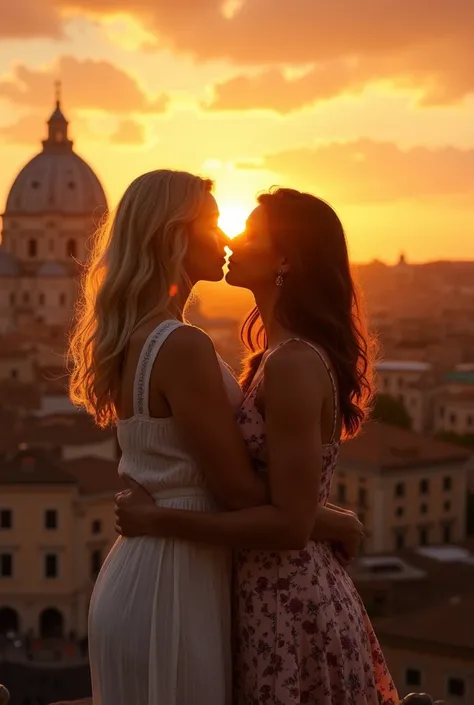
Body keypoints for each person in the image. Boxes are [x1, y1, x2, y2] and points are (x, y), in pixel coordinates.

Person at [69, 172, 361, 705]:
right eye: (213, 223)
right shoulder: (181, 346)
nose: (225, 237)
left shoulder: (141, 339)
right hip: (174, 581)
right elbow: (242, 492)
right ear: (174, 235)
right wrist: (331, 519)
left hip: (153, 571)